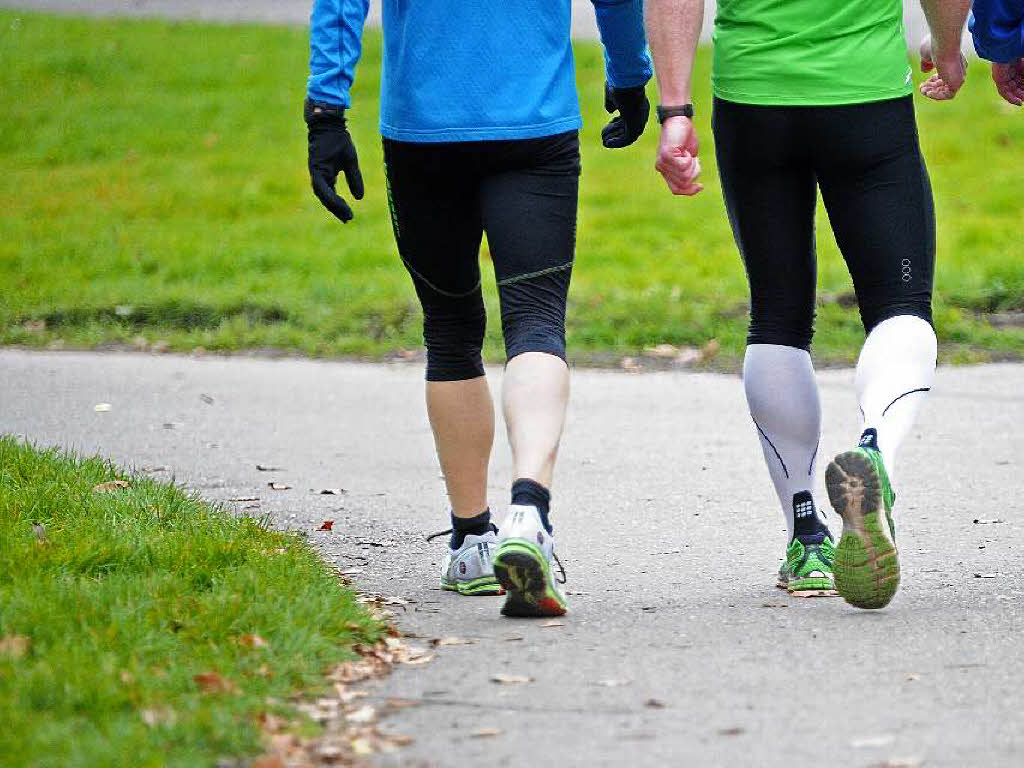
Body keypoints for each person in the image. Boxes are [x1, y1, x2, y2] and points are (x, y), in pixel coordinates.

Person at [305, 1, 652, 617]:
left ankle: (470, 539)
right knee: (537, 322)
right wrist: (629, 74)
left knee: (450, 332)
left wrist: (326, 110)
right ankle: (529, 512)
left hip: (423, 130)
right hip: (533, 124)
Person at [645, 0, 971, 609]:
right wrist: (948, 48)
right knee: (901, 307)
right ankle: (874, 454)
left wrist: (675, 109)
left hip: (753, 97)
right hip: (865, 94)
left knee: (777, 316)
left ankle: (806, 535)